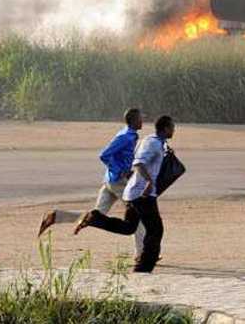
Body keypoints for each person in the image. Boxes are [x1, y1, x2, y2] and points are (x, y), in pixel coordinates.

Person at [38, 107, 146, 259]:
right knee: (138, 214)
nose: (143, 120)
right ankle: (142, 253)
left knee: (96, 216)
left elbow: (122, 156)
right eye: (141, 118)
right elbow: (104, 154)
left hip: (110, 181)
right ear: (134, 120)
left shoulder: (129, 135)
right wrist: (120, 171)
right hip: (118, 182)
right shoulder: (125, 137)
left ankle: (56, 216)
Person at [75, 115, 175, 273]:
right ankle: (143, 267)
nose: (174, 130)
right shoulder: (152, 143)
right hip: (142, 193)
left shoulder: (154, 141)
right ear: (165, 129)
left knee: (129, 227)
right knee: (155, 229)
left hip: (135, 191)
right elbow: (138, 163)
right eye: (172, 128)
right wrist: (147, 181)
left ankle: (95, 218)